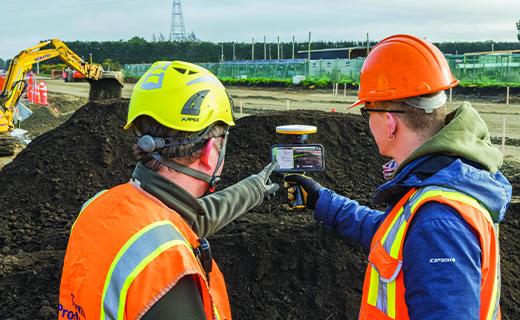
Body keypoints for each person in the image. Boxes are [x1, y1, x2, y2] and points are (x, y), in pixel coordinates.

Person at [285, 34, 511, 320]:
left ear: (389, 122)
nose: (367, 119)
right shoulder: (442, 183)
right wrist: (321, 201)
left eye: (368, 109)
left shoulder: (438, 224)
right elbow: (394, 235)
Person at [59, 61, 279, 320]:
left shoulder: (97, 206)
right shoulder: (168, 270)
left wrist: (253, 188)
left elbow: (186, 218)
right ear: (209, 153)